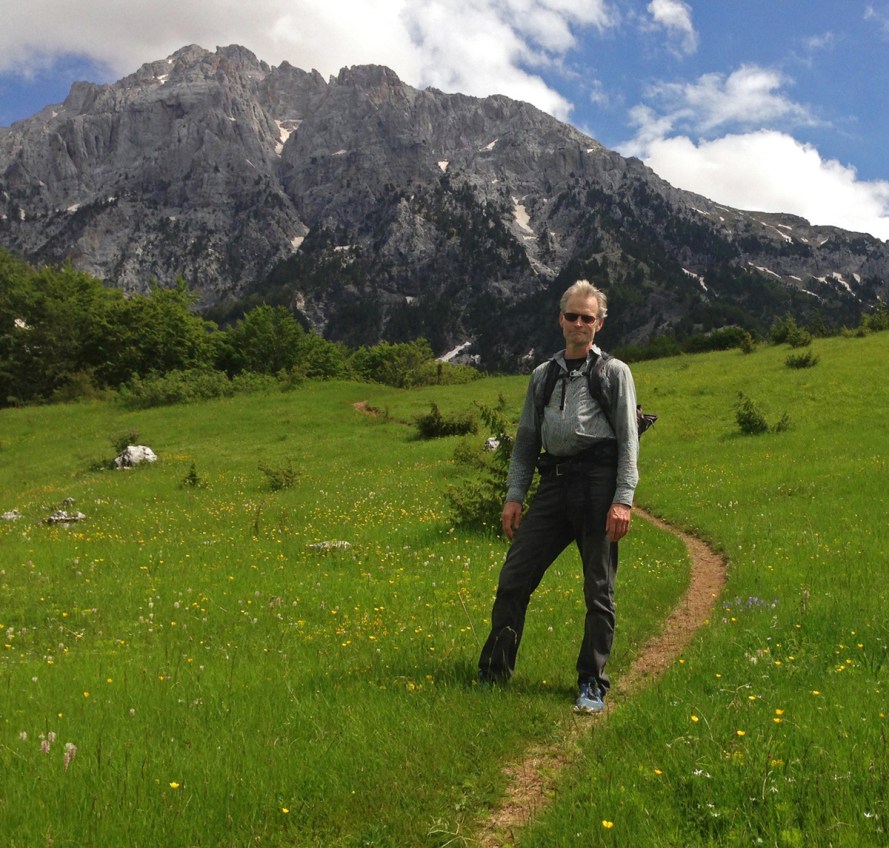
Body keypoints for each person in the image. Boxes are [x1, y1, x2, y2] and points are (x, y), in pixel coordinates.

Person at [477, 280, 639, 713]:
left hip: (599, 485)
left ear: (599, 324)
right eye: (572, 316)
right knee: (515, 577)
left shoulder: (614, 372)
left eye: (588, 317)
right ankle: (493, 673)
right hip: (553, 484)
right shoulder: (542, 375)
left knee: (598, 589)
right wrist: (514, 496)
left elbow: (628, 441)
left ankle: (592, 683)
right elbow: (526, 442)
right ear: (560, 320)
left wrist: (623, 500)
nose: (579, 323)